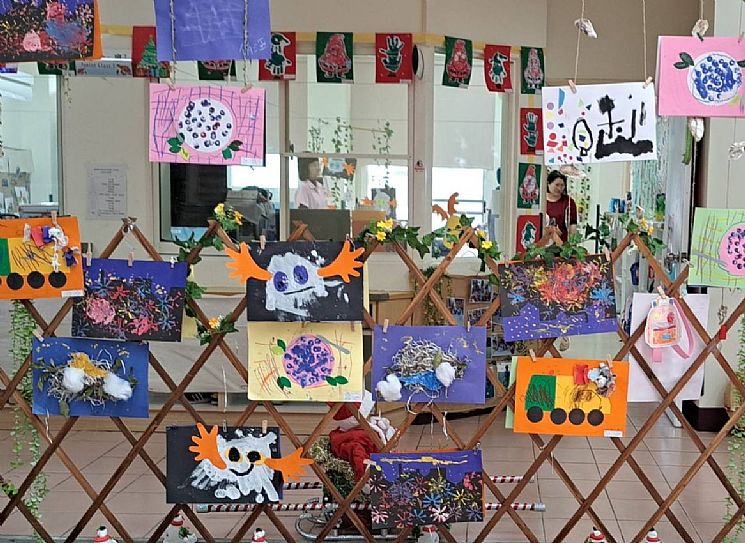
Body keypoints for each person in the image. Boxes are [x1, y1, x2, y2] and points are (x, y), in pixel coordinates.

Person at [545, 170, 578, 242]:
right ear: (548, 183)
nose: (559, 188)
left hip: (562, 244)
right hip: (543, 242)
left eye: (562, 185)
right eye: (557, 185)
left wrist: (573, 244)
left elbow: (573, 225)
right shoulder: (541, 201)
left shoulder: (569, 202)